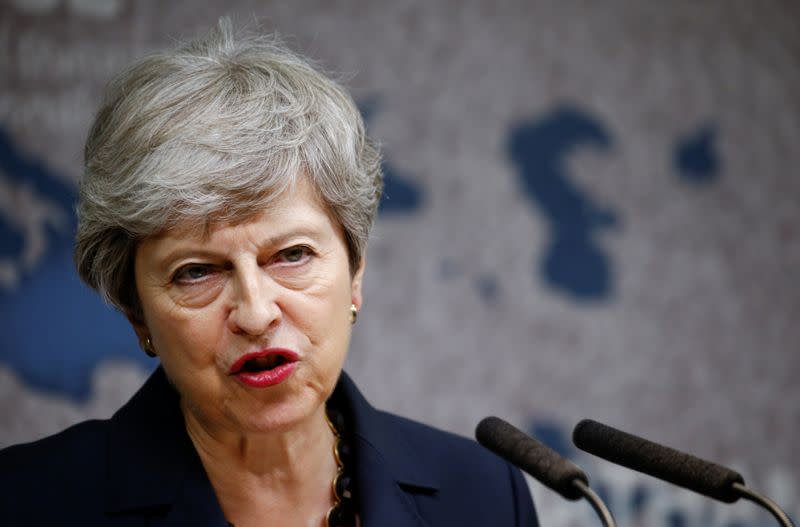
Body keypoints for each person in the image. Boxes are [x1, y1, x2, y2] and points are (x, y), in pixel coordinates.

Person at [0, 19, 537, 527]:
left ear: (355, 272)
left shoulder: (484, 495)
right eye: (195, 273)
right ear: (136, 311)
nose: (256, 314)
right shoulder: (26, 502)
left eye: (292, 255)